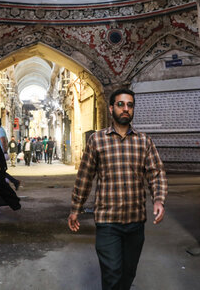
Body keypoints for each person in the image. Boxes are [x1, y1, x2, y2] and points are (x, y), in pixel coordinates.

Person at [68, 88, 167, 290]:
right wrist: (75, 209)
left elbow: (156, 173)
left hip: (135, 220)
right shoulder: (97, 140)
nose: (125, 109)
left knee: (128, 272)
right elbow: (85, 176)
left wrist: (158, 199)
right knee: (112, 272)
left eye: (130, 105)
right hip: (108, 221)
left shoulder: (144, 141)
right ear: (111, 108)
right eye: (121, 104)